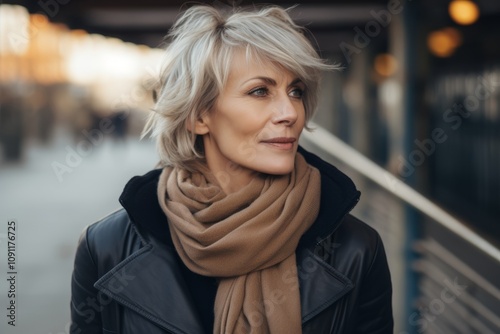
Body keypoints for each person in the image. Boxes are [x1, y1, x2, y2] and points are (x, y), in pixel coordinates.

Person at [70, 4, 393, 334]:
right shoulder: (105, 248)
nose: (290, 112)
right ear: (199, 116)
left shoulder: (356, 249)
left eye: (295, 91)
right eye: (259, 91)